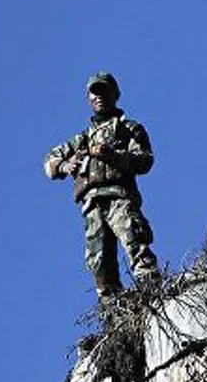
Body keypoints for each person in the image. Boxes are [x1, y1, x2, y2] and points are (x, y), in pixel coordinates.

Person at [43, 72, 159, 298]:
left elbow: (145, 160)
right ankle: (113, 314)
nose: (99, 97)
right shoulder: (82, 139)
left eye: (103, 91)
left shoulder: (128, 128)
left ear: (115, 94)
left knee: (135, 242)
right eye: (94, 93)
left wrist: (113, 156)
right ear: (88, 98)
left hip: (119, 198)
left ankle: (153, 295)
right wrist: (65, 165)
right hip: (91, 205)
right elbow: (49, 162)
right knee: (99, 262)